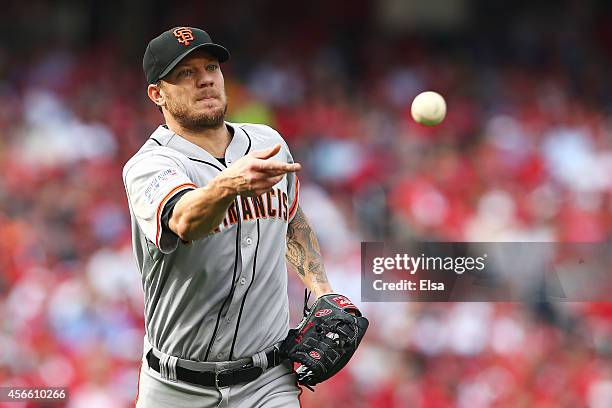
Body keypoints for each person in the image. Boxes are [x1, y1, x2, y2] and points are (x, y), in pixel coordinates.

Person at [123, 26, 336, 407]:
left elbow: (291, 222)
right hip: (177, 387)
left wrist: (322, 292)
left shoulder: (267, 143)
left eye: (211, 68)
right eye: (185, 73)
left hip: (268, 383)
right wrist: (228, 186)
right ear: (157, 93)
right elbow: (186, 220)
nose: (204, 80)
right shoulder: (150, 165)